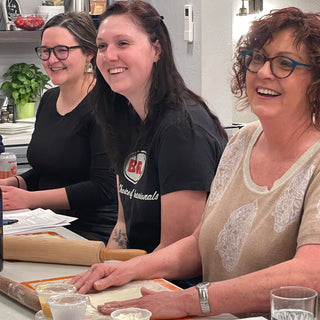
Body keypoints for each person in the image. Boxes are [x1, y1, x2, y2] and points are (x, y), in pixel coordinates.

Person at [71, 6, 320, 318]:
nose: (264, 72)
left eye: (285, 63)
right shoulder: (244, 140)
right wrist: (128, 269)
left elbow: (310, 274)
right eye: (257, 58)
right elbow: (199, 244)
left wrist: (188, 301)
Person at [91, 0, 227, 257]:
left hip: (176, 285)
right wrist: (106, 270)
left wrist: (118, 277)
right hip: (138, 272)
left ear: (156, 50)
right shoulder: (124, 118)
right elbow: (123, 225)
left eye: (123, 43)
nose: (109, 56)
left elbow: (177, 252)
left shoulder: (183, 129)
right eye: (101, 46)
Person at [0, 12, 118, 244]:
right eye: (45, 51)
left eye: (62, 50)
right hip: (48, 221)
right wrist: (14, 184)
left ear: (89, 54)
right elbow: (48, 170)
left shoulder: (105, 105)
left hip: (92, 230)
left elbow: (103, 187)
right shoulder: (49, 99)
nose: (51, 59)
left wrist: (30, 199)